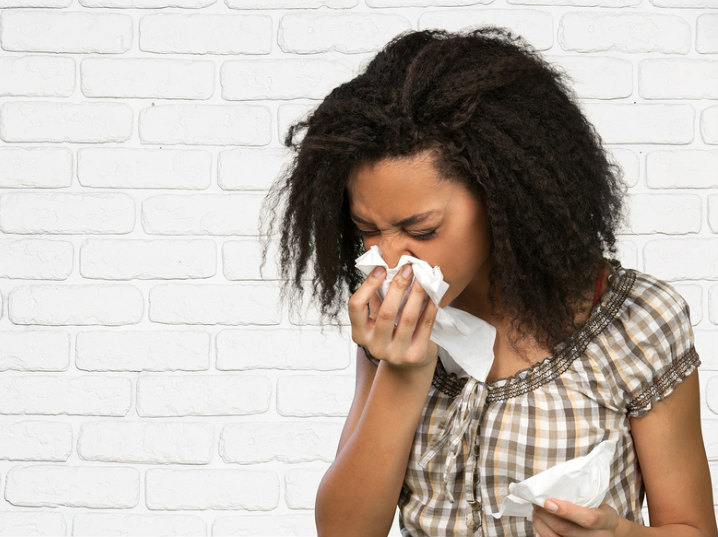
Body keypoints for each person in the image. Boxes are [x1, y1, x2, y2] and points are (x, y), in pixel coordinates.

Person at [260, 27, 717, 537]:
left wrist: (622, 535)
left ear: (502, 199)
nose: (390, 259)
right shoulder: (394, 327)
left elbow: (692, 528)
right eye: (368, 231)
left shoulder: (638, 323)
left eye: (421, 230)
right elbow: (344, 532)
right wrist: (403, 372)